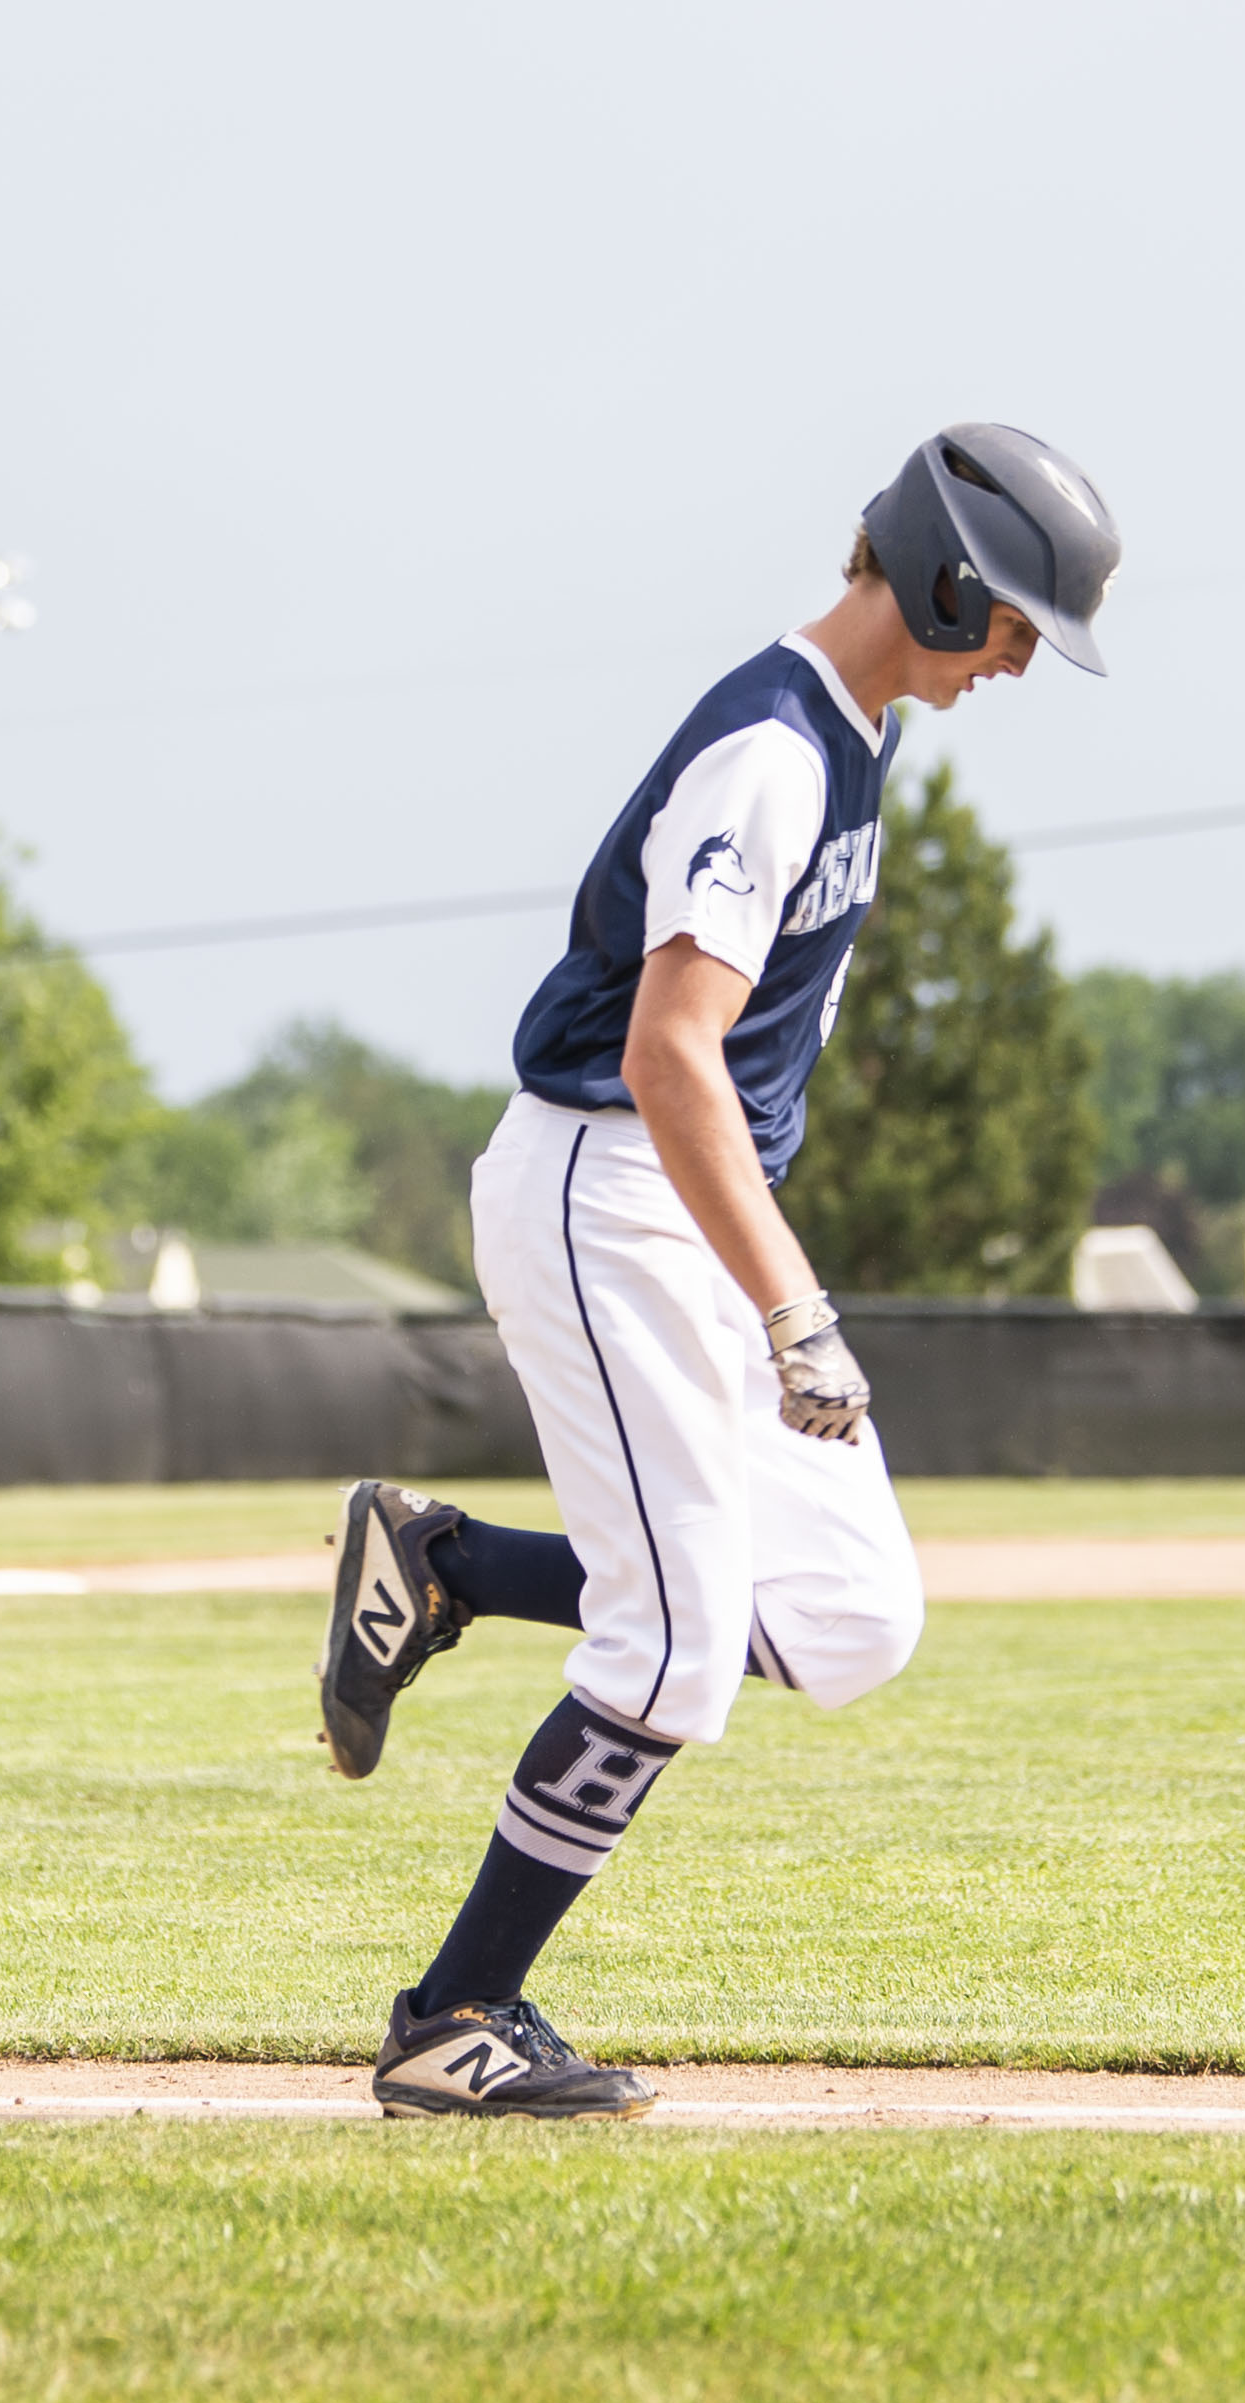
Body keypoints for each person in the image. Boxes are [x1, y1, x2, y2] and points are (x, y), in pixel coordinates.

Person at [309, 424, 1119, 2118]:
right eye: (1019, 620)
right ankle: (452, 2017)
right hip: (610, 1187)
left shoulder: (854, 736)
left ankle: (440, 1565)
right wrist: (791, 1304)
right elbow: (671, 1053)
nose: (1022, 658)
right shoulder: (771, 751)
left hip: (678, 1195)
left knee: (848, 1617)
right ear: (950, 581)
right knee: (672, 1651)